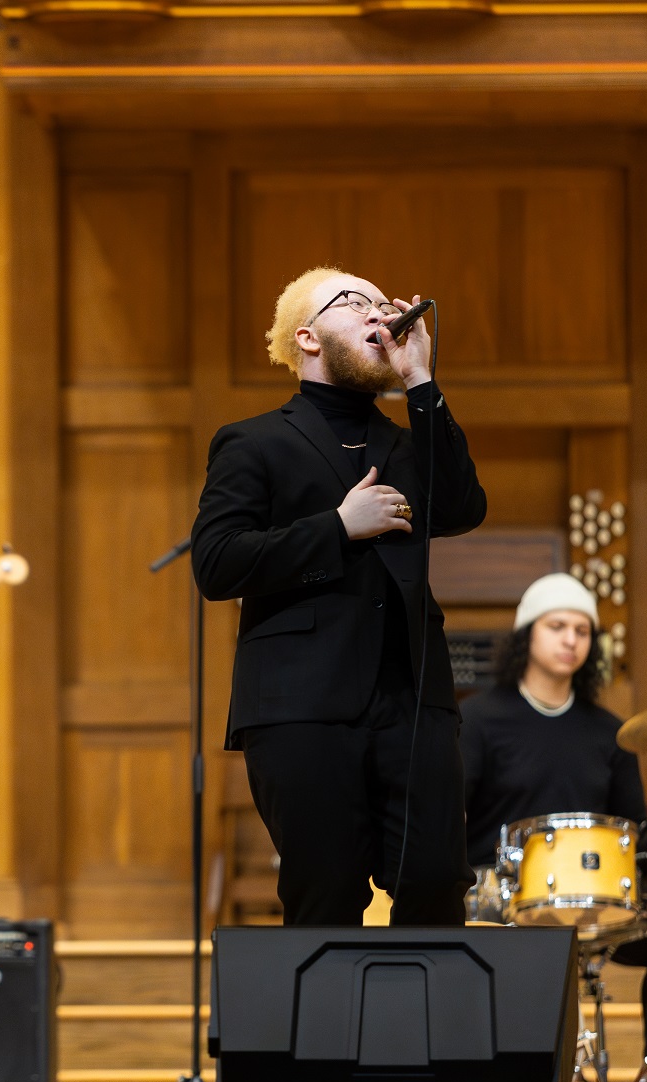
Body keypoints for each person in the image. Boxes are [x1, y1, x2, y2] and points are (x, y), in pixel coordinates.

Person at [191, 267, 487, 926]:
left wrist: (420, 380)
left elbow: (464, 507)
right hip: (301, 707)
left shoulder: (407, 441)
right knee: (324, 896)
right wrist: (336, 528)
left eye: (384, 302)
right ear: (308, 337)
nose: (380, 312)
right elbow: (216, 564)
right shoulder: (254, 442)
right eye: (356, 302)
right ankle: (332, 1033)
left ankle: (420, 1031)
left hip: (413, 700)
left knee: (437, 884)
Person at [461, 571, 647, 1082]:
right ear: (527, 635)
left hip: (594, 903)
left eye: (583, 630)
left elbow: (633, 836)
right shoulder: (477, 720)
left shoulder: (611, 732)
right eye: (557, 626)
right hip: (497, 897)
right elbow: (453, 818)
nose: (571, 639)